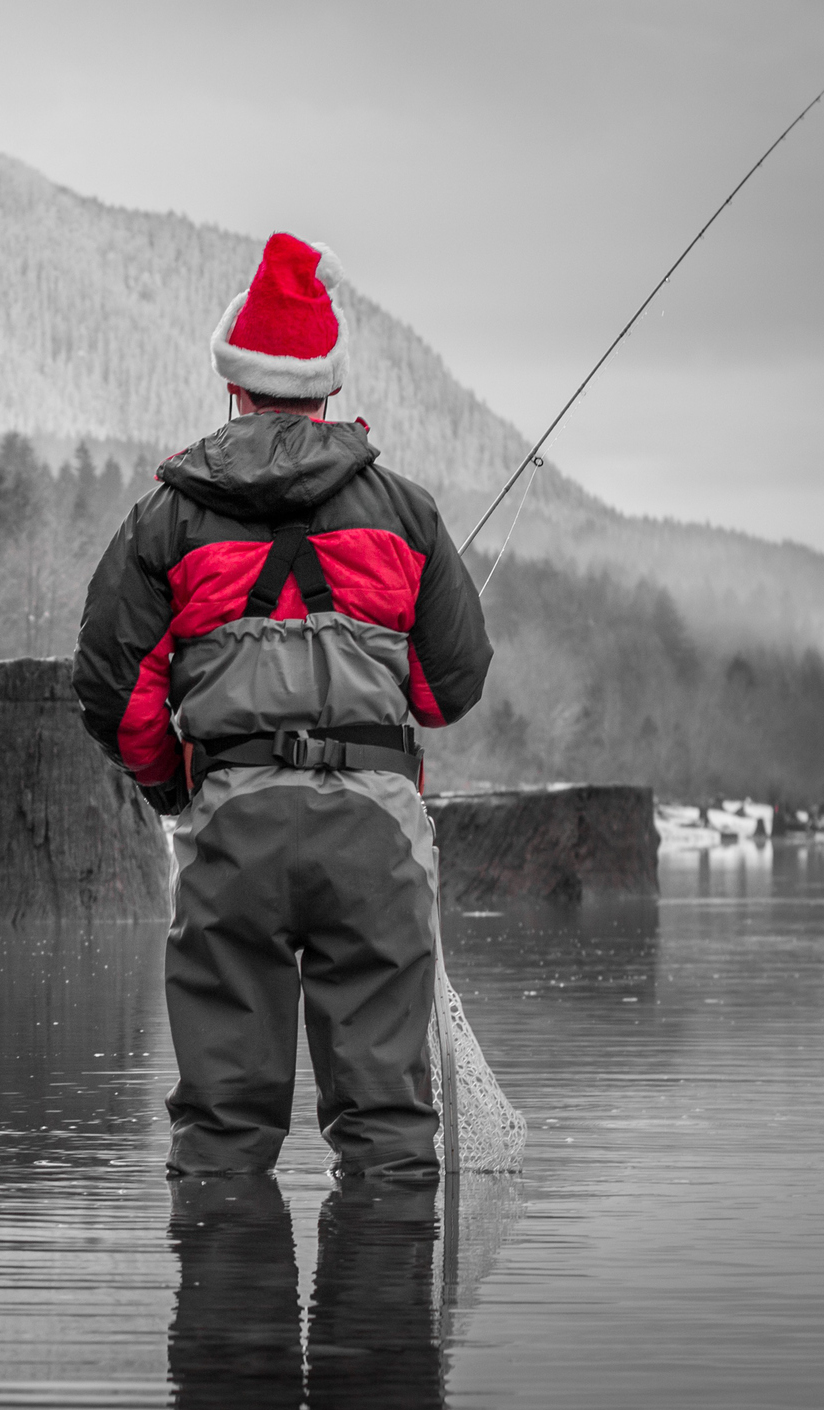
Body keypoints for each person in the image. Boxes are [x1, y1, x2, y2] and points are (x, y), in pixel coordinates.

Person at [73, 233, 492, 1179]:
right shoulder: (407, 514)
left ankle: (226, 1296)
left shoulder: (165, 519)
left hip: (233, 833)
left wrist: (170, 785)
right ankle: (380, 1303)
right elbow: (448, 685)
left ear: (236, 386)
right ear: (327, 388)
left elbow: (111, 681)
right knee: (388, 1131)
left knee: (221, 1133)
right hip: (376, 839)